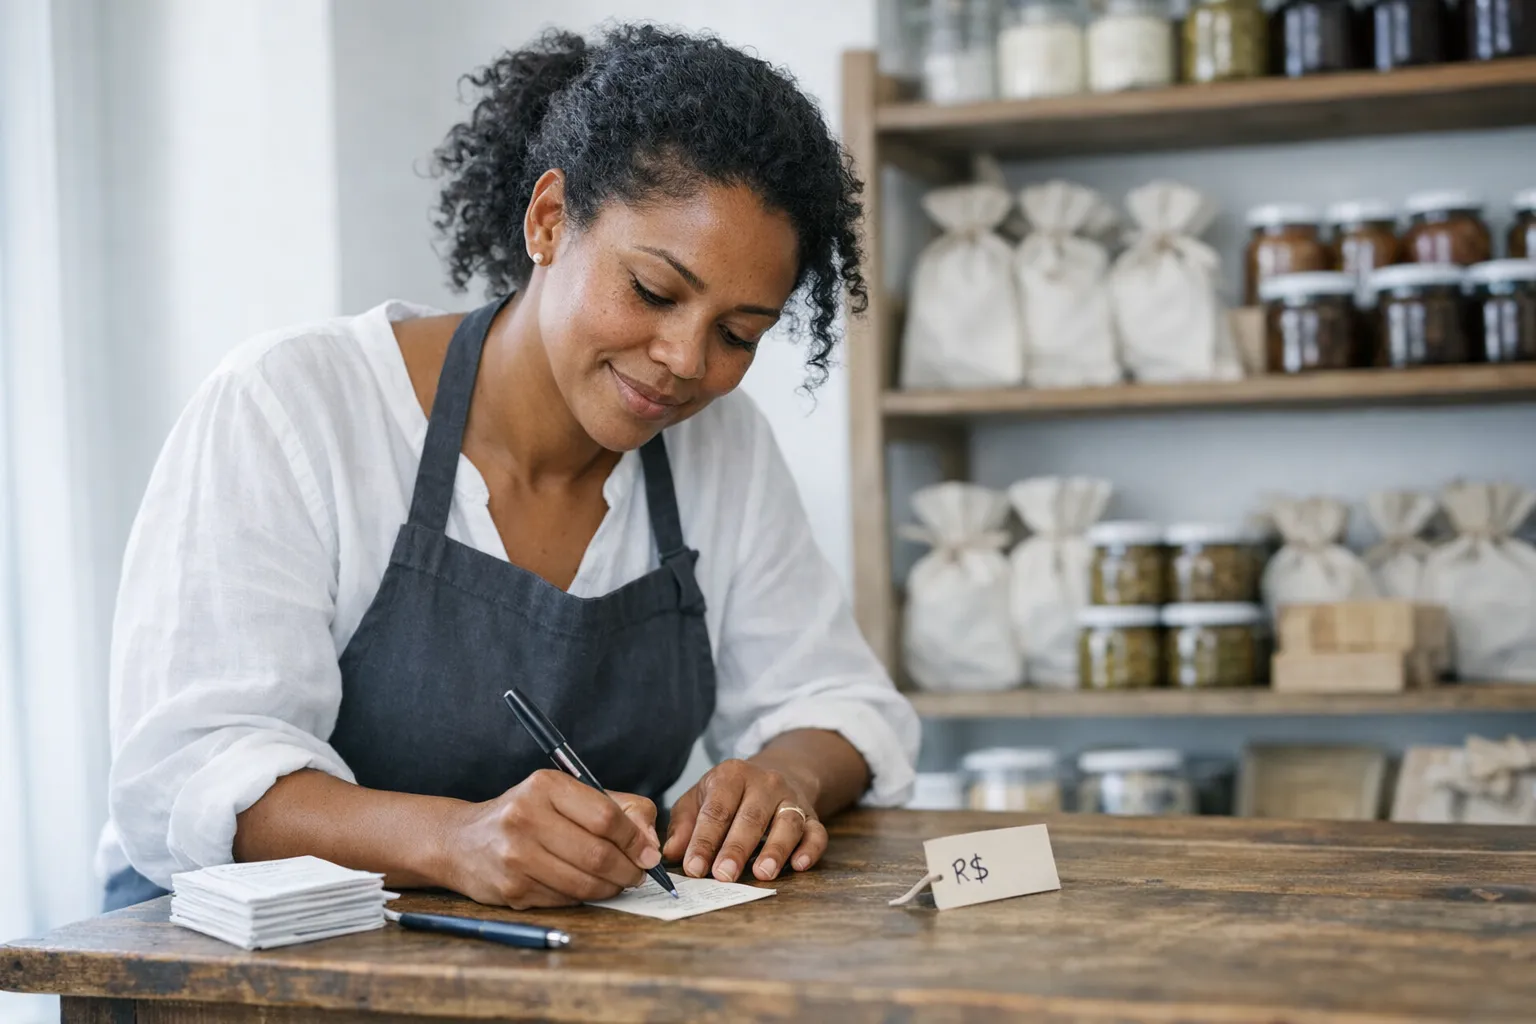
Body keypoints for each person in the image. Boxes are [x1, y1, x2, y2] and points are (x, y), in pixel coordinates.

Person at [97, 24, 919, 912]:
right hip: (233, 967)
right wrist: (453, 841)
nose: (685, 360)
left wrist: (780, 776)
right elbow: (189, 771)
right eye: (652, 291)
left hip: (545, 968)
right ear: (549, 220)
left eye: (737, 334)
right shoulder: (293, 404)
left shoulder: (724, 447)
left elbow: (838, 701)